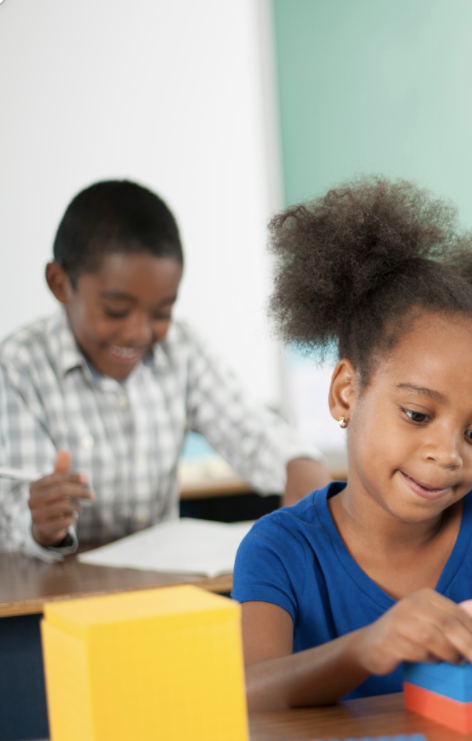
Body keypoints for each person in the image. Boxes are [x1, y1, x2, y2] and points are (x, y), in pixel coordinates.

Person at [232, 178, 472, 711]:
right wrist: (364, 649)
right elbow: (246, 699)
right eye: (417, 414)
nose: (447, 453)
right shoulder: (280, 549)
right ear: (345, 393)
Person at [0, 180, 330, 557]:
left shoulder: (181, 349)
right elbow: (16, 512)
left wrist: (297, 462)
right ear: (60, 284)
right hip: (51, 596)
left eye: (161, 312)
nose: (139, 332)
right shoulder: (19, 368)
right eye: (116, 311)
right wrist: (42, 524)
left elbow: (250, 429)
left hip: (159, 590)